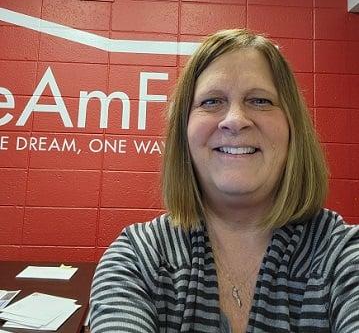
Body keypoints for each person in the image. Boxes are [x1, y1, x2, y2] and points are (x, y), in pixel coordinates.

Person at [90, 28, 359, 333]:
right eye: (211, 102)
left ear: (291, 126)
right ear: (184, 131)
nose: (234, 120)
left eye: (259, 101)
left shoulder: (344, 257)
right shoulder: (137, 259)